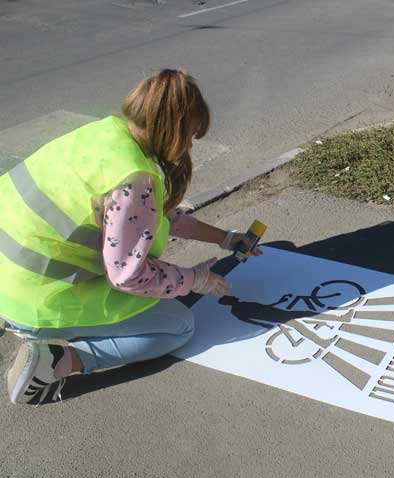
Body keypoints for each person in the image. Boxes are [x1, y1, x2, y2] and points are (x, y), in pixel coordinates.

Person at [2, 69, 261, 404]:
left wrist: (225, 238)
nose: (190, 146)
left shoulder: (104, 135)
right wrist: (195, 280)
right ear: (174, 129)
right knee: (178, 325)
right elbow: (128, 275)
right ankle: (57, 360)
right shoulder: (134, 177)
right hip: (35, 302)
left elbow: (157, 215)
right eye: (191, 135)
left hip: (8, 272)